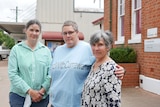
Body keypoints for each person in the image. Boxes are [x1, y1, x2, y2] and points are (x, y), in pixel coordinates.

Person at [49, 20, 125, 107]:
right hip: (55, 103)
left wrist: (121, 70)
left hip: (76, 103)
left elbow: (104, 61)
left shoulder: (88, 48)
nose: (68, 35)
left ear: (77, 33)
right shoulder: (58, 50)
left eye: (70, 32)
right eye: (64, 33)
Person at [8, 19, 52, 107]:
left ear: (40, 32)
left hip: (41, 97)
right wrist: (30, 91)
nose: (34, 33)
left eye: (37, 30)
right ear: (25, 30)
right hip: (19, 96)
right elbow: (13, 74)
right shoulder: (16, 50)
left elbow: (50, 73)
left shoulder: (46, 51)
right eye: (31, 30)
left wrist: (42, 90)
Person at [81, 30, 121, 107]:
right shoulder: (94, 64)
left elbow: (114, 101)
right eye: (93, 44)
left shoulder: (111, 69)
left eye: (100, 45)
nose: (96, 48)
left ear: (108, 47)